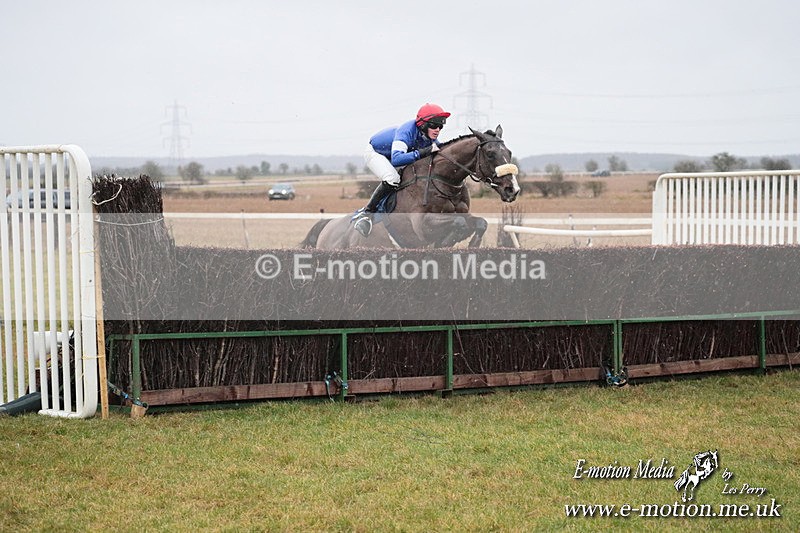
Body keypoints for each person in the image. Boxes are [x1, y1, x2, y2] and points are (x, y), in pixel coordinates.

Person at [353, 103, 451, 237]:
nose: (438, 129)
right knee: (392, 179)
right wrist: (423, 152)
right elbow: (397, 159)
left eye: (441, 126)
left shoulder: (429, 136)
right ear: (423, 125)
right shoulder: (406, 131)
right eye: (434, 125)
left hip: (393, 154)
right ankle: (367, 214)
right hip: (377, 153)